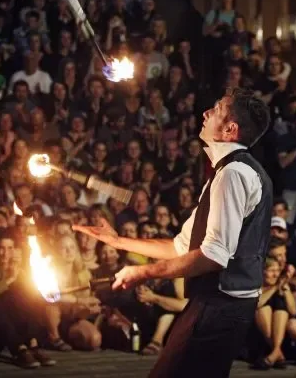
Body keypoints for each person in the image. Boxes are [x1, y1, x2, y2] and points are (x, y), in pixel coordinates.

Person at [73, 87, 272, 378]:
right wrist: (118, 241)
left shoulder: (233, 174)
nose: (205, 113)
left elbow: (213, 256)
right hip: (216, 303)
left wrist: (142, 273)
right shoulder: (227, 171)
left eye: (216, 110)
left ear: (230, 128)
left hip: (220, 306)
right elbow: (182, 246)